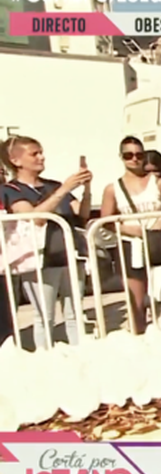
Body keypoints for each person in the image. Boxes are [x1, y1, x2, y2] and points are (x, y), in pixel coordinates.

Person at [0, 135, 91, 349]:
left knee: (75, 313)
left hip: (69, 255)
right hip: (39, 261)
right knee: (45, 316)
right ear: (16, 160)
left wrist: (87, 188)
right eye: (34, 153)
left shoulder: (53, 185)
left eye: (41, 152)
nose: (41, 157)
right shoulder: (11, 190)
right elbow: (35, 217)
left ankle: (81, 357)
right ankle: (46, 360)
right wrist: (64, 190)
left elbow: (82, 214)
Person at [99, 137, 161, 334]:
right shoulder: (113, 188)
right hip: (131, 245)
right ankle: (139, 337)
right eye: (129, 155)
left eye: (139, 155)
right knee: (136, 302)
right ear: (121, 157)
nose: (134, 159)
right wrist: (126, 228)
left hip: (158, 241)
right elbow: (106, 220)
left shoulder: (159, 183)